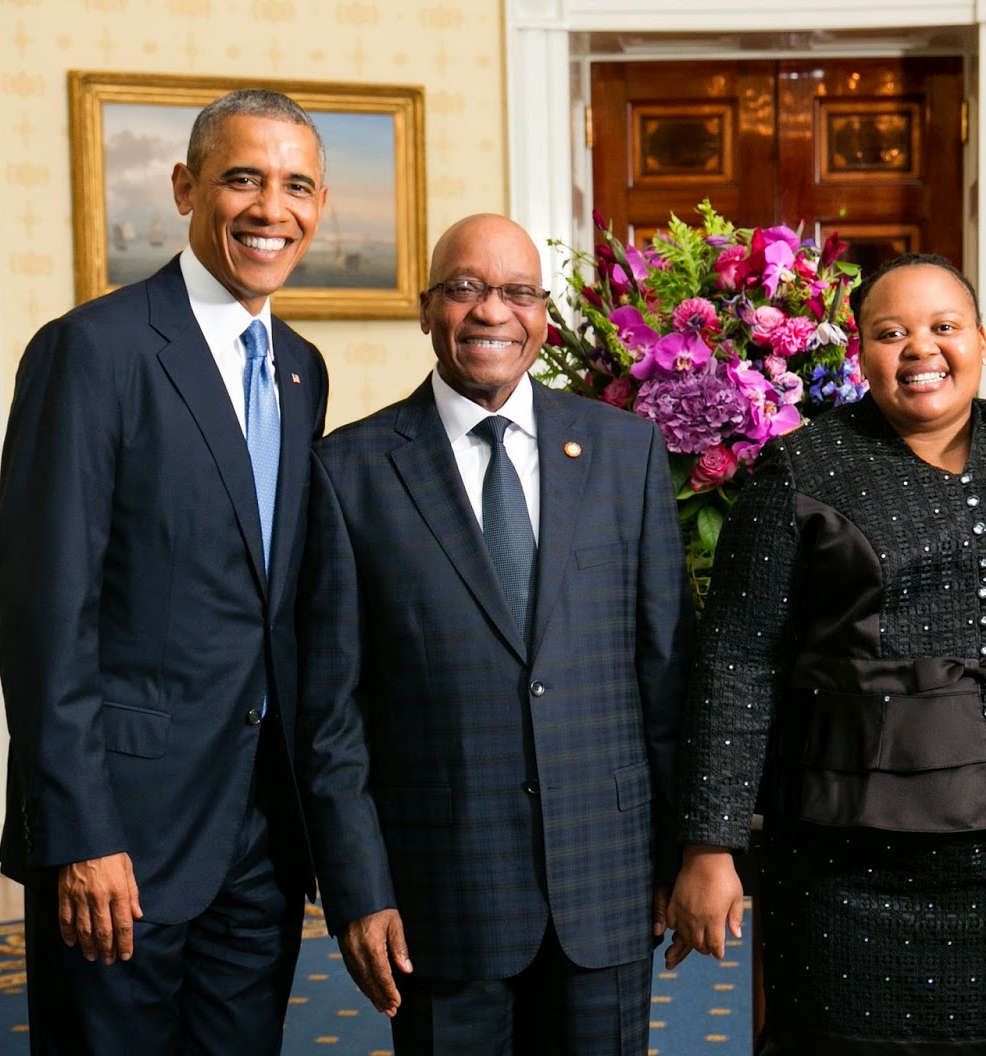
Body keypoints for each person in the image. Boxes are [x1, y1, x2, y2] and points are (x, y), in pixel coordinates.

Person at [668, 253, 986, 1055]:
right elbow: (737, 661)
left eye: (944, 326)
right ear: (859, 354)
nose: (920, 348)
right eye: (890, 333)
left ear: (982, 340)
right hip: (845, 860)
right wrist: (709, 845)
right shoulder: (800, 467)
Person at [294, 213, 691, 1055]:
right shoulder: (348, 472)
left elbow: (664, 675)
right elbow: (331, 715)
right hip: (441, 895)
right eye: (465, 288)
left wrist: (682, 854)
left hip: (608, 880)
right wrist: (360, 890)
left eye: (517, 292)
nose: (491, 312)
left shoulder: (626, 453)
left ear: (544, 315)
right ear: (426, 307)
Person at [0, 89, 330, 1052]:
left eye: (296, 186)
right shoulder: (91, 351)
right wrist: (80, 832)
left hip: (259, 835)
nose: (271, 209)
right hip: (122, 831)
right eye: (242, 179)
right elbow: (45, 614)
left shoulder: (301, 367)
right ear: (186, 188)